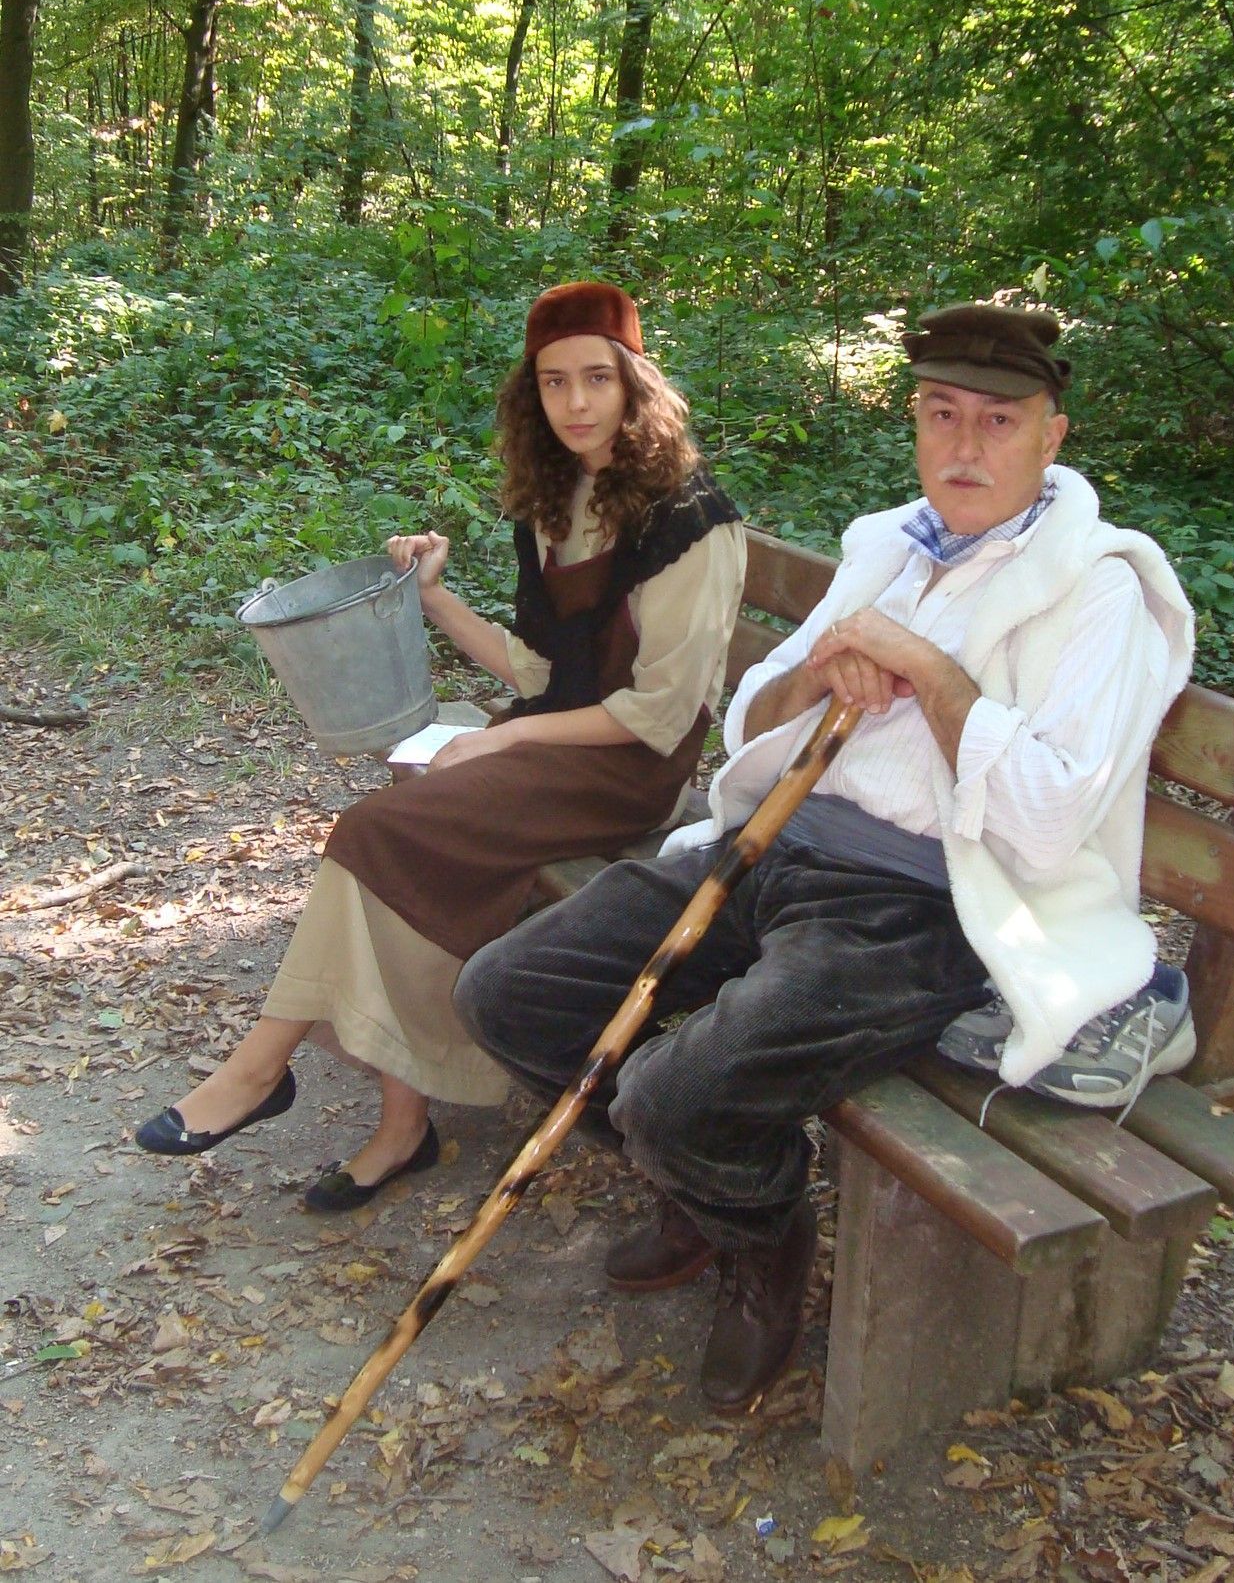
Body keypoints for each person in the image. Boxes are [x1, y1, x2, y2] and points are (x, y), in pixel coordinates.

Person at [454, 301, 1196, 1414]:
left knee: (669, 1094)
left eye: (997, 421)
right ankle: (707, 1191)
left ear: (1051, 436)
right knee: (508, 994)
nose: (962, 445)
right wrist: (818, 671)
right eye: (940, 414)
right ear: (912, 423)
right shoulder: (885, 544)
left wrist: (935, 678)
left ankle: (759, 1236)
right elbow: (751, 720)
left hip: (926, 904)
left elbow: (1045, 827)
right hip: (772, 843)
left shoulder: (1102, 593)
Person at [134, 281, 747, 1211]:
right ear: (530, 394)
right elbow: (538, 671)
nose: (575, 404)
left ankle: (262, 1070)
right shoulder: (559, 495)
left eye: (596, 379)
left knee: (382, 829)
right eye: (552, 383)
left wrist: (497, 746)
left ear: (635, 384)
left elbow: (661, 716)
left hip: (631, 773)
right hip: (558, 743)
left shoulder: (693, 519)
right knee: (403, 832)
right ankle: (399, 1125)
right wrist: (430, 595)